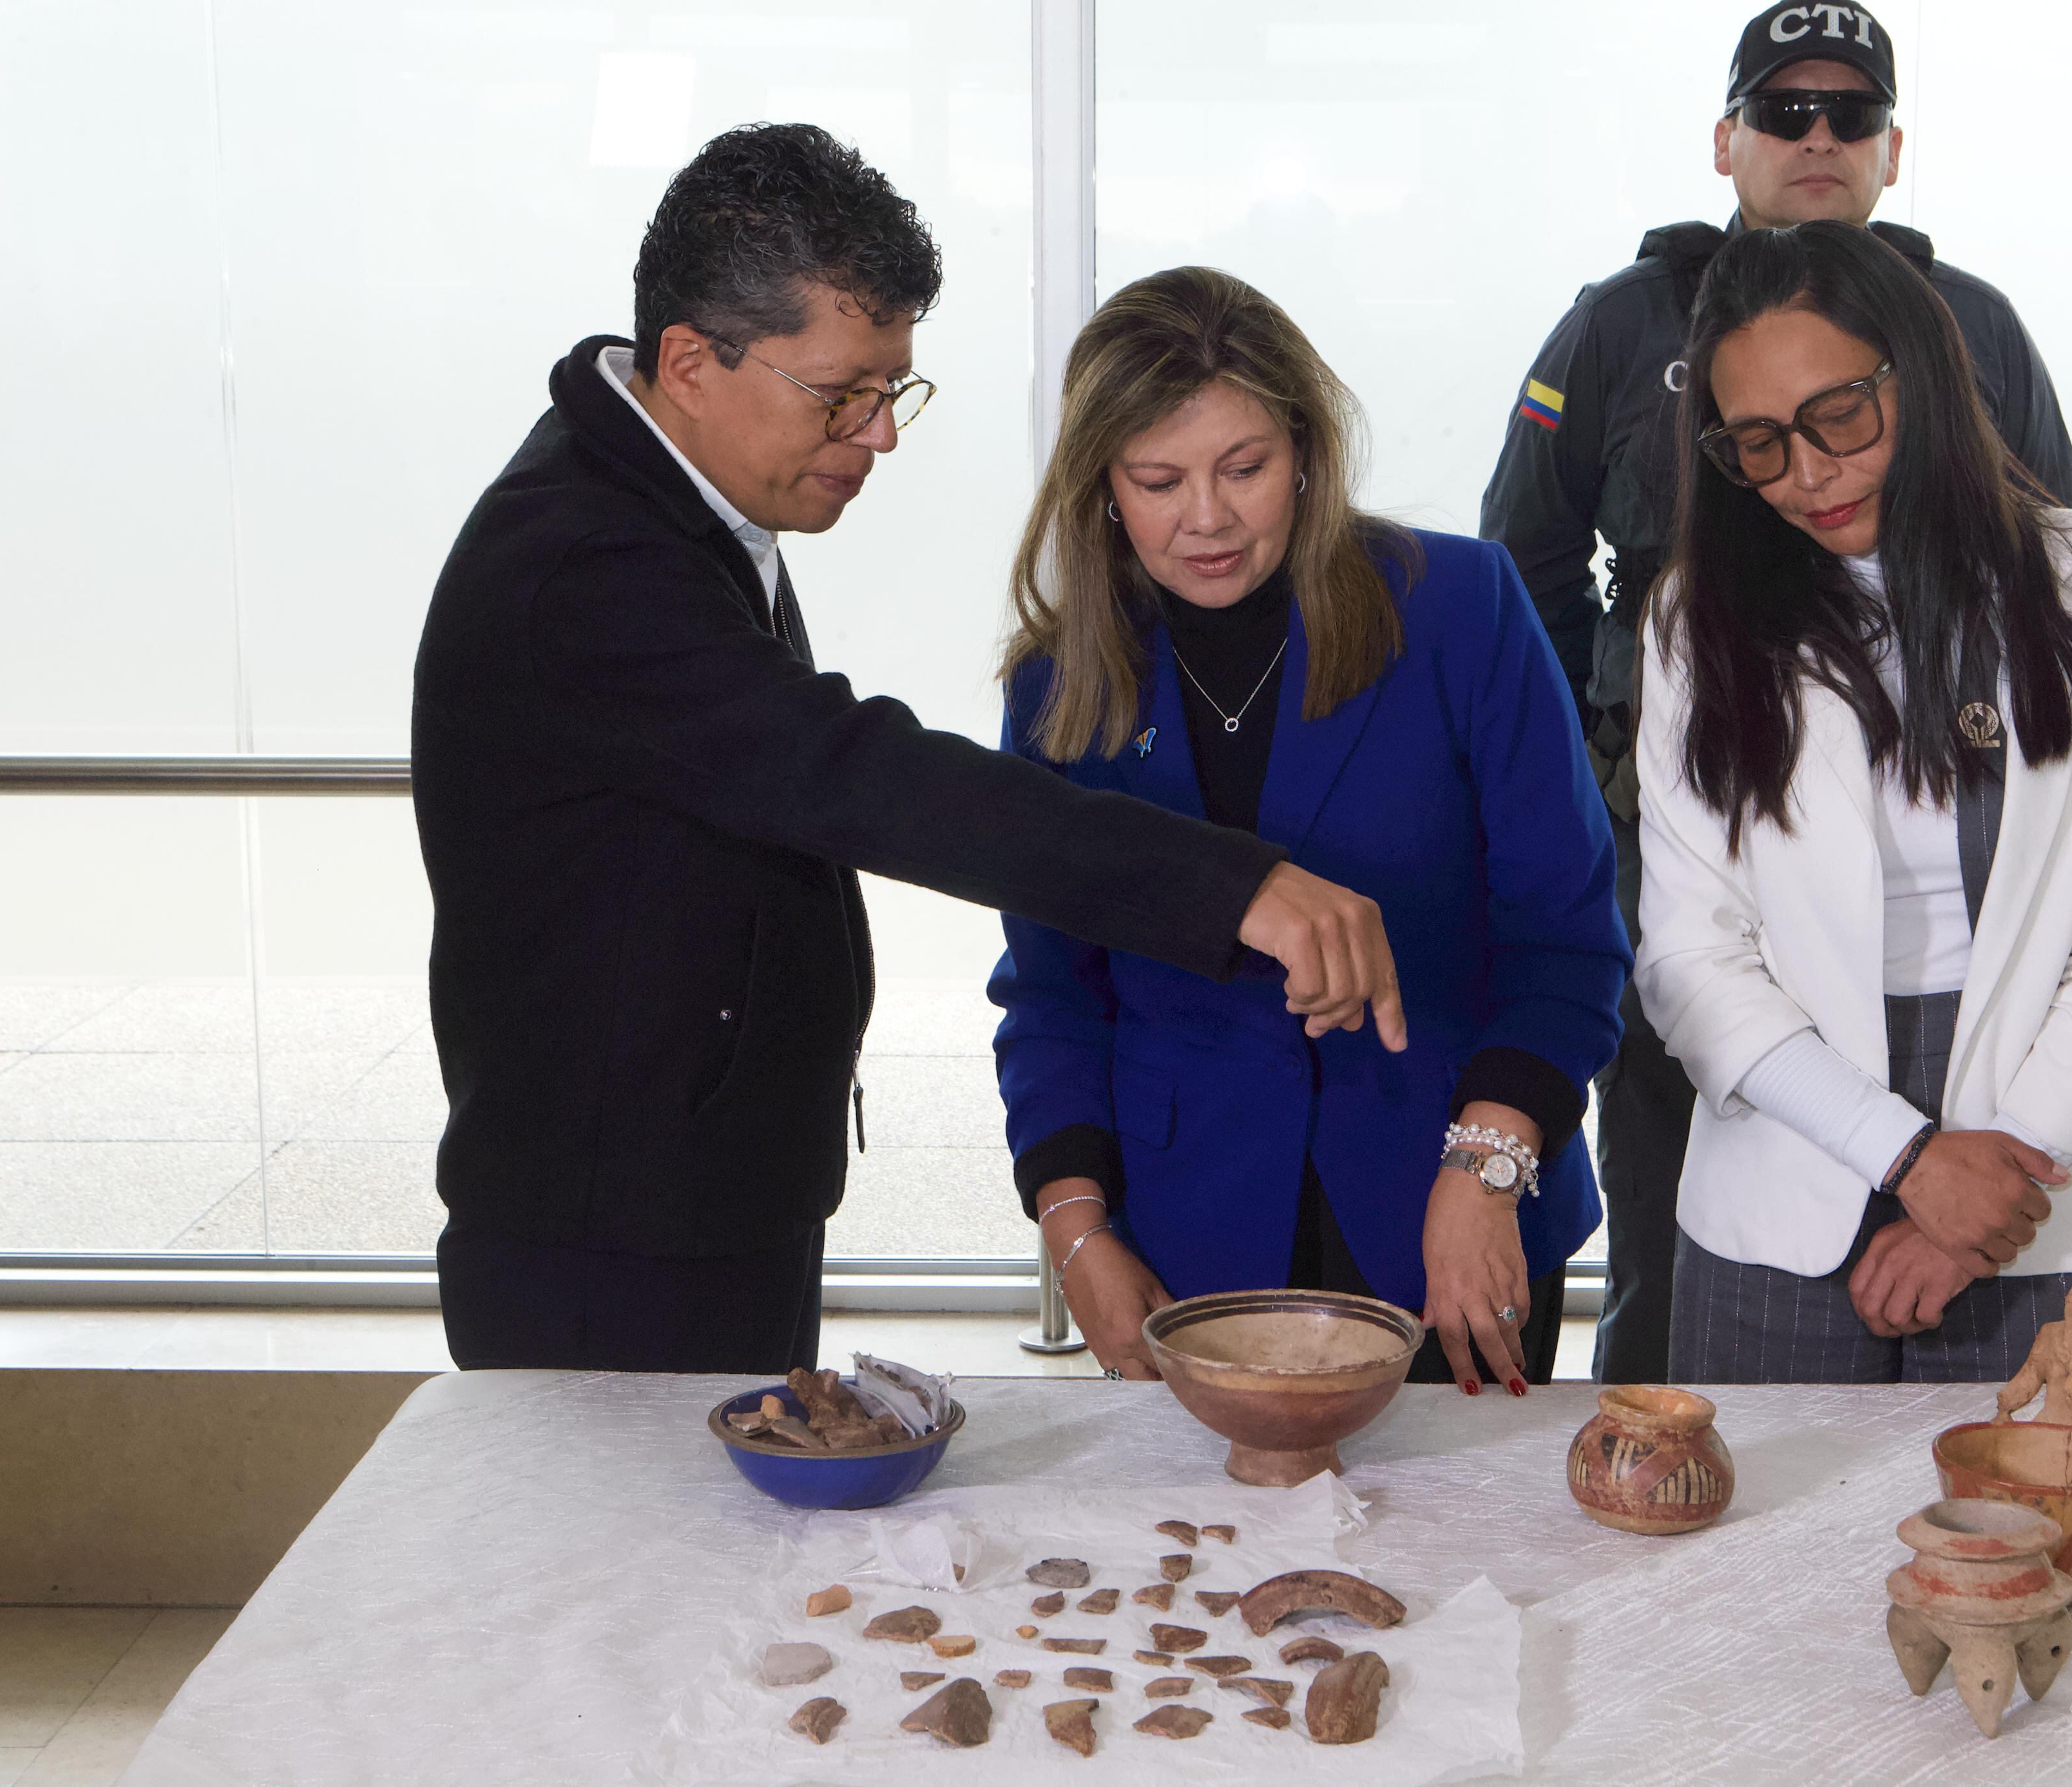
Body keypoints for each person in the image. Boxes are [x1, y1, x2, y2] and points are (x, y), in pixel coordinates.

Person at [412, 127, 1407, 1375]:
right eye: (842, 393)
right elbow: (857, 778)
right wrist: (1238, 886)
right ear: (688, 362)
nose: (879, 434)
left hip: (701, 1201)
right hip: (609, 1245)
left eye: (891, 388)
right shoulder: (587, 564)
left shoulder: (679, 507)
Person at [1481, 0, 2072, 1385]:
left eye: (1849, 117)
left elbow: (2053, 576)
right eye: (1783, 112)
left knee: (1983, 1246)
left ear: (1890, 150)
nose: (1817, 139)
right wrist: (1600, 761)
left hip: (1954, 846)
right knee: (1673, 1196)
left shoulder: (1974, 327)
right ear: (1725, 140)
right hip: (1691, 821)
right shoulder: (1624, 324)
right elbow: (1522, 556)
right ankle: (1650, 1455)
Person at [988, 267, 1627, 1394]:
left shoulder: (1462, 609)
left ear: (1308, 453)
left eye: (1246, 468)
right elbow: (1052, 995)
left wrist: (1487, 1169)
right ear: (1100, 487)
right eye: (1157, 479)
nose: (1207, 517)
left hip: (1458, 1203)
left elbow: (1568, 943)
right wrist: (1077, 1233)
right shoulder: (1061, 678)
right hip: (1187, 1231)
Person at [1633, 220, 2072, 1383]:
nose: (1806, 474)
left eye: (1839, 415)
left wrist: (1984, 1178)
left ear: (1923, 374)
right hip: (1793, 1143)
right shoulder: (1698, 622)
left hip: (2032, 1155)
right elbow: (1690, 960)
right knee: (1751, 1559)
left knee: (2016, 1549)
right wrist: (1905, 1157)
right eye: (1759, 445)